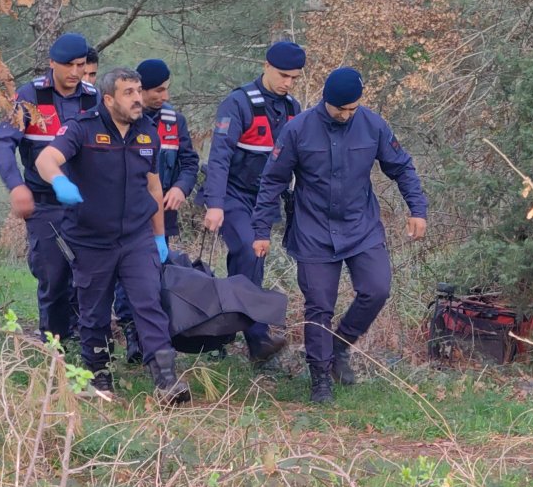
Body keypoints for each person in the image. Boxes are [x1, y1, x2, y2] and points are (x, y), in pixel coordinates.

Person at [251, 67, 428, 403]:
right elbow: (272, 181)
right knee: (319, 305)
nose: (347, 115)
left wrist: (417, 209)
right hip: (312, 230)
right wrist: (261, 230)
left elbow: (401, 166)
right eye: (340, 110)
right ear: (326, 101)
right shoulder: (297, 130)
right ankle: (320, 379)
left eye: (353, 109)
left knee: (376, 289)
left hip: (361, 226)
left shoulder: (373, 125)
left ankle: (340, 344)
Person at [34, 66, 190, 405]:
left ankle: (166, 380)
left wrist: (160, 238)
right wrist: (59, 181)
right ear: (108, 99)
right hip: (90, 240)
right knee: (94, 312)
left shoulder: (148, 131)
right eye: (128, 93)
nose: (137, 99)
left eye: (138, 91)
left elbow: (153, 186)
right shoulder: (82, 129)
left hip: (136, 237)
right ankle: (99, 378)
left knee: (149, 302)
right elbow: (47, 158)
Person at [0, 33, 99, 343]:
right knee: (52, 273)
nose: (75, 73)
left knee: (90, 274)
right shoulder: (30, 96)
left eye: (81, 65)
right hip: (45, 203)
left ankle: (89, 341)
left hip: (86, 203)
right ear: (52, 64)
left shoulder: (94, 98)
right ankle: (54, 343)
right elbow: (2, 145)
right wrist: (16, 186)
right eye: (68, 66)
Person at [201, 41, 305, 363]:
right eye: (283, 75)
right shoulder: (238, 103)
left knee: (250, 264)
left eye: (295, 78)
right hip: (232, 195)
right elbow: (219, 157)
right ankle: (256, 340)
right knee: (247, 250)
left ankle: (221, 336)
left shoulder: (293, 109)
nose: (288, 83)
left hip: (265, 200)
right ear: (266, 66)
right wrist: (214, 203)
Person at [113, 58, 201, 363]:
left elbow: (189, 162)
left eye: (167, 89)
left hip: (163, 218)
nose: (164, 96)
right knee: (126, 278)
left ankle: (159, 336)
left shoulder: (175, 121)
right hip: (125, 218)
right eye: (158, 91)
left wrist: (180, 187)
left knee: (153, 276)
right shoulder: (121, 119)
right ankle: (131, 335)